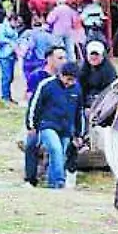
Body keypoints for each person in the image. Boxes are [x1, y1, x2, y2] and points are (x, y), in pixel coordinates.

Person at [24, 60, 83, 189]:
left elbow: (79, 112)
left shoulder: (77, 89)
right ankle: (59, 181)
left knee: (60, 154)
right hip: (47, 125)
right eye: (68, 79)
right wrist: (31, 125)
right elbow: (34, 105)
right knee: (56, 150)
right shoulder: (46, 85)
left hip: (66, 128)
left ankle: (52, 183)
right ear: (61, 75)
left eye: (73, 80)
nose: (70, 83)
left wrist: (78, 134)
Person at [78, 39, 118, 109]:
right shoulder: (82, 70)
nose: (94, 57)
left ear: (103, 55)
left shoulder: (109, 71)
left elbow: (111, 92)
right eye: (91, 54)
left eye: (97, 54)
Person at [0, 16, 22, 103]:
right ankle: (5, 97)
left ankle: (8, 96)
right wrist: (10, 42)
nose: (17, 25)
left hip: (11, 55)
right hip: (4, 55)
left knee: (10, 77)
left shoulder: (14, 29)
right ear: (11, 20)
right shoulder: (2, 27)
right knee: (7, 77)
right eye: (16, 22)